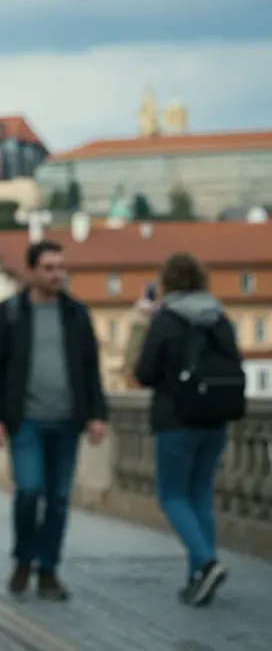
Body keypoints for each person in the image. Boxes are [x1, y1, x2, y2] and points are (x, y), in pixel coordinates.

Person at [0, 239, 108, 601]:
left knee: (58, 499)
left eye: (61, 267)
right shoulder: (10, 313)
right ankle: (24, 557)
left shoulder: (76, 314)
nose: (57, 274)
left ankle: (48, 570)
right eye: (49, 268)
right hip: (26, 421)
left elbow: (90, 368)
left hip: (68, 420)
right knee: (29, 491)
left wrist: (98, 414)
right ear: (32, 272)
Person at [133, 253, 243, 607]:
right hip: (216, 418)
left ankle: (207, 563)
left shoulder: (166, 319)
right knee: (200, 497)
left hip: (176, 420)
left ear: (166, 282)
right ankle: (198, 578)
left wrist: (144, 322)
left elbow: (144, 372)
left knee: (173, 497)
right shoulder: (219, 316)